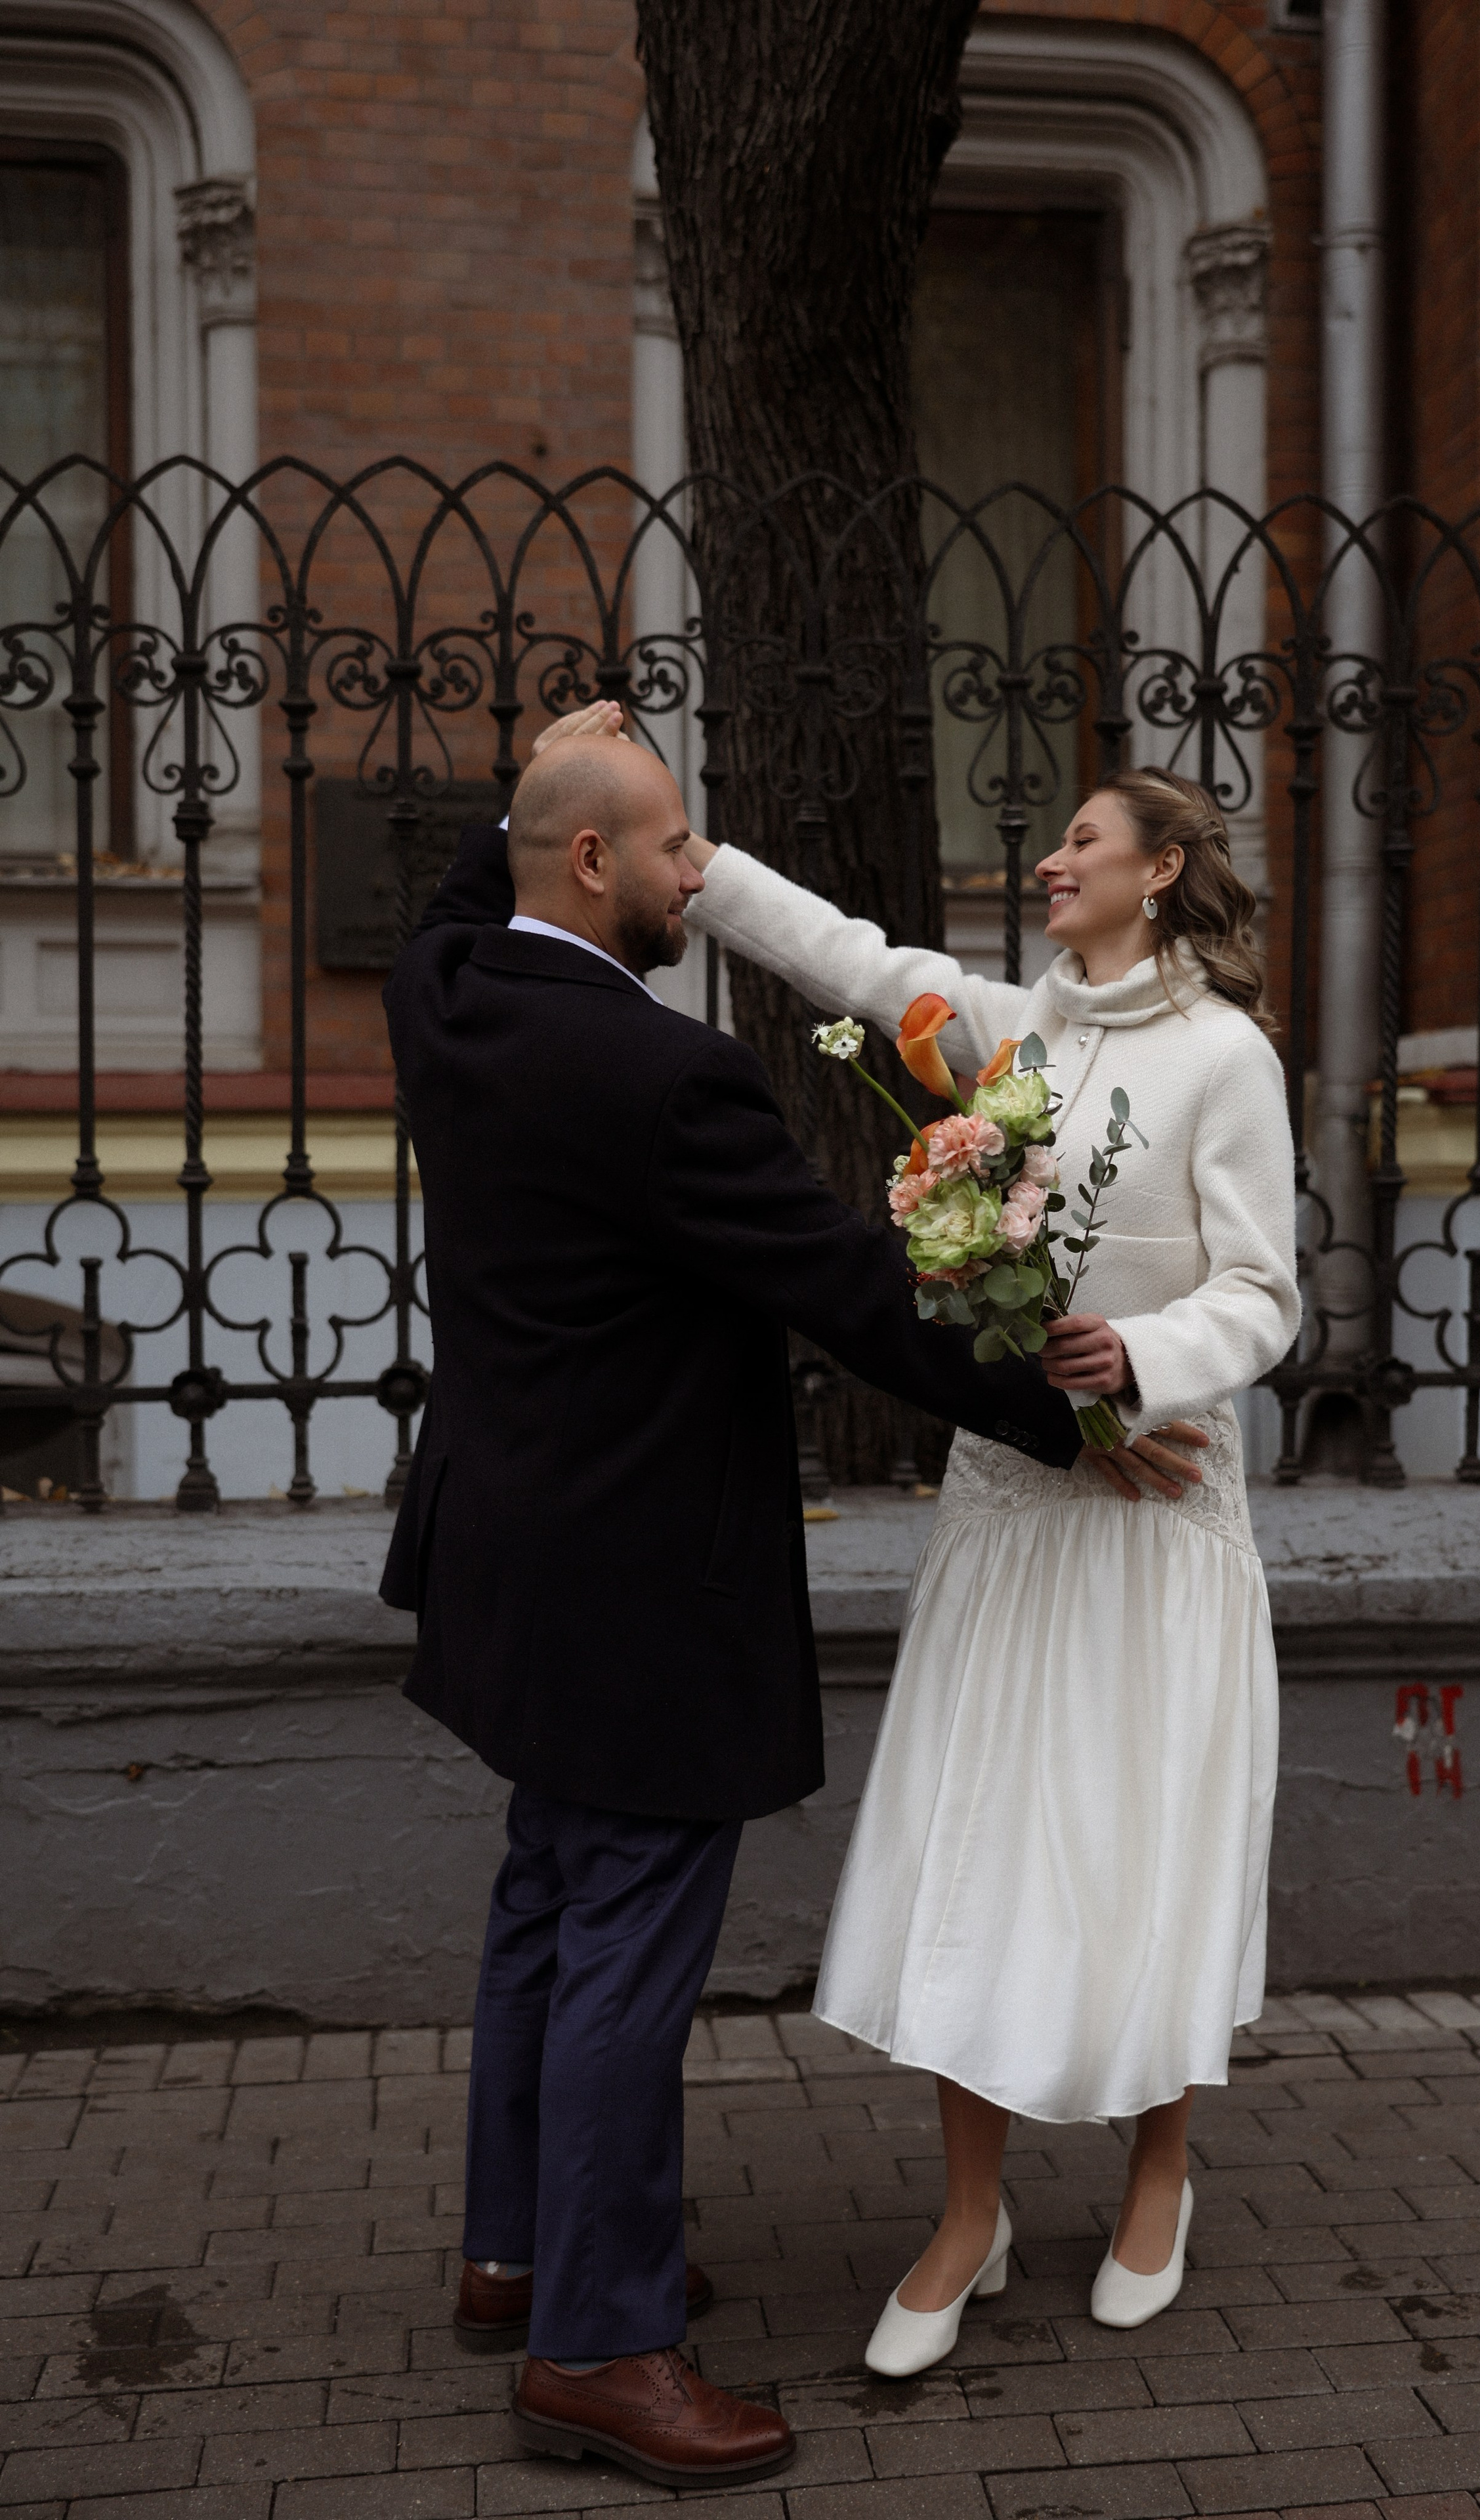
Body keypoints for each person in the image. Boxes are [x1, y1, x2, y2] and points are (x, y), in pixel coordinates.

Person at [377, 715, 1142, 2487]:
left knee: (546, 1911)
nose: (690, 877)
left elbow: (446, 892)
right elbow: (859, 1296)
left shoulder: (447, 991)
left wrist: (550, 765)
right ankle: (600, 2342)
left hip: (505, 1560)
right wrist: (1076, 1423)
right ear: (590, 863)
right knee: (626, 1954)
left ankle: (520, 2255)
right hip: (640, 1590)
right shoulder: (660, 1080)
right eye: (666, 850)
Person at [677, 759, 1300, 2376]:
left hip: (1155, 1508)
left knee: (1139, 1842)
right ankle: (971, 2212)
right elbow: (852, 961)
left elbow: (1261, 1292)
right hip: (1012, 1507)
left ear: (1158, 872)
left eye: (1082, 841)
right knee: (980, 1846)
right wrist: (694, 860)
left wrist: (1137, 1359)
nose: (1048, 863)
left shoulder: (1225, 1058)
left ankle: (1156, 2171)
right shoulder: (1006, 1032)